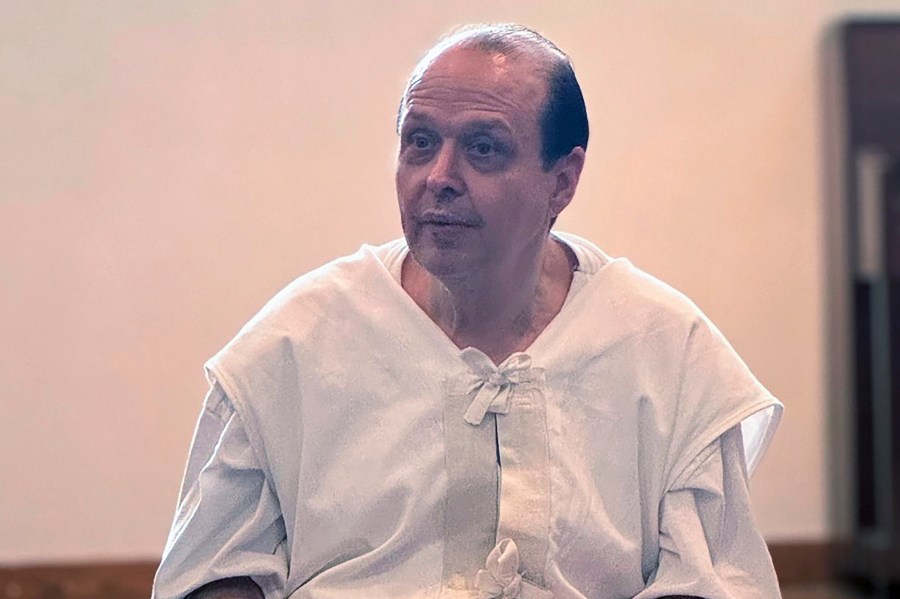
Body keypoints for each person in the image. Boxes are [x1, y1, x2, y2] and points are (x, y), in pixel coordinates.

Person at [153, 23, 783, 599]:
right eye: (420, 143)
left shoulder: (665, 349)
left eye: (484, 148)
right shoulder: (294, 344)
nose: (439, 177)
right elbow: (215, 576)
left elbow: (708, 584)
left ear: (562, 181)